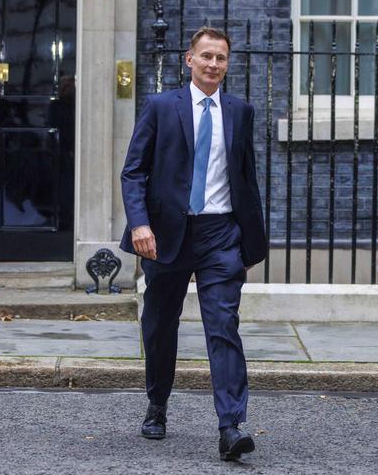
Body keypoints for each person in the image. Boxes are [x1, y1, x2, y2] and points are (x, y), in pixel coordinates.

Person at [120, 27, 267, 461]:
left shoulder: (240, 111)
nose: (213, 65)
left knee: (223, 326)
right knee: (160, 325)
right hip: (165, 236)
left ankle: (230, 426)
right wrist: (139, 224)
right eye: (206, 57)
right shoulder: (161, 106)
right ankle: (157, 403)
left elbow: (246, 177)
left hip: (220, 235)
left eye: (220, 58)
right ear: (189, 60)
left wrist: (249, 240)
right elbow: (134, 172)